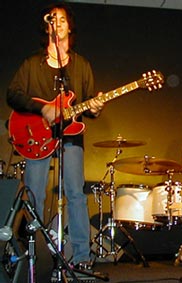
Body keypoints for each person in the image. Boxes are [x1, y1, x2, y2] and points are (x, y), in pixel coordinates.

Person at [7, 3, 104, 270]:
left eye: (62, 19)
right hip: (35, 138)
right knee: (34, 194)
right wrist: (43, 108)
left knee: (75, 193)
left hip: (70, 138)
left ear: (69, 27)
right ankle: (29, 254)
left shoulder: (81, 65)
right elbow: (12, 95)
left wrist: (95, 107)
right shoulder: (31, 64)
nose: (57, 23)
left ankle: (82, 257)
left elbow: (87, 105)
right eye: (53, 19)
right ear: (46, 27)